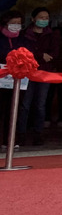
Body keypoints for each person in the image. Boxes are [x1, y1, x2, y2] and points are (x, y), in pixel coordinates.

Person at [17, 8, 60, 146]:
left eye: (46, 17)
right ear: (33, 19)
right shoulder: (24, 35)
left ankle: (38, 134)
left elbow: (54, 54)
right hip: (27, 73)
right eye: (41, 17)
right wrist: (41, 55)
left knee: (40, 105)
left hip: (44, 74)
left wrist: (41, 56)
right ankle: (20, 133)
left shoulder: (52, 35)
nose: (44, 20)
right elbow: (24, 52)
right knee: (25, 105)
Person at [1, 10, 27, 142]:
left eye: (19, 23)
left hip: (18, 80)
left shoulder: (23, 39)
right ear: (6, 23)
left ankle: (10, 139)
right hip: (2, 78)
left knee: (14, 108)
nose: (16, 25)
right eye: (13, 23)